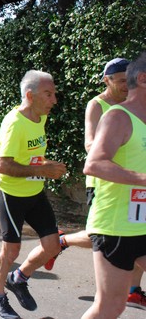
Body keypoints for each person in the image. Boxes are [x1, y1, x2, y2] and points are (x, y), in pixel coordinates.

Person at [44, 57, 145, 308]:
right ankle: (62, 241)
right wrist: (113, 144)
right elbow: (91, 147)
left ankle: (133, 289)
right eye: (120, 81)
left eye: (127, 80)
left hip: (137, 202)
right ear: (106, 80)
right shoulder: (100, 106)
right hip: (105, 185)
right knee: (100, 235)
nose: (124, 86)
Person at [0, 70, 67, 319]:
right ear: (30, 96)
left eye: (54, 93)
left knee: (52, 246)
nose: (54, 99)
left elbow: (31, 155)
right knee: (11, 250)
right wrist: (42, 168)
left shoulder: (40, 117)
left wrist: (44, 166)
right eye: (48, 94)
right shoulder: (14, 123)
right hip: (12, 194)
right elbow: (3, 165)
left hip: (35, 191)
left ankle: (19, 278)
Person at [82, 52, 146, 319]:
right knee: (110, 307)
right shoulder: (118, 116)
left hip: (142, 222)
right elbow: (94, 164)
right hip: (116, 225)